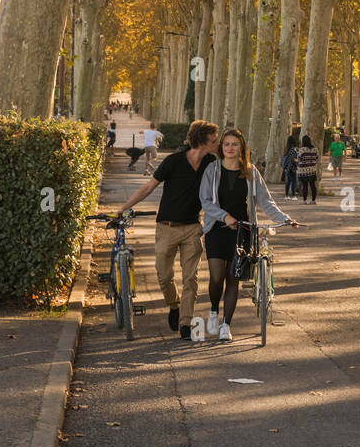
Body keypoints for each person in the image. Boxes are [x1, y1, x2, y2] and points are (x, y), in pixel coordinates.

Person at [121, 120, 219, 340]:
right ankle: (174, 306)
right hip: (166, 227)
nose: (218, 143)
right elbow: (148, 187)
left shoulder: (211, 163)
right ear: (203, 141)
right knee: (164, 276)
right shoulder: (173, 162)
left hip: (193, 228)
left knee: (191, 278)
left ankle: (185, 322)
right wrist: (123, 208)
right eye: (214, 140)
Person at [200, 128, 300, 341]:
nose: (230, 148)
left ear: (241, 148)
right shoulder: (212, 170)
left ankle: (226, 325)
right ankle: (213, 311)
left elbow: (266, 201)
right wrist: (224, 217)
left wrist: (284, 218)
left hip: (243, 231)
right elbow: (205, 201)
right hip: (217, 230)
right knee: (217, 277)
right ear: (221, 147)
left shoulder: (251, 171)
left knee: (233, 278)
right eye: (226, 144)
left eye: (234, 144)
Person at [295, 134, 319, 203]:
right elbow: (316, 158)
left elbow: (299, 159)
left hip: (303, 171)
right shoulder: (315, 149)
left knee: (305, 186)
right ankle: (313, 200)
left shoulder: (302, 150)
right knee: (313, 186)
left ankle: (304, 200)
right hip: (312, 170)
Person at [280, 132, 299, 200]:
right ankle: (293, 196)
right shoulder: (293, 150)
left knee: (288, 182)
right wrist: (299, 160)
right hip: (292, 168)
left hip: (287, 168)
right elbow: (293, 159)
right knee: (293, 182)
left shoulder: (286, 149)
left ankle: (286, 195)